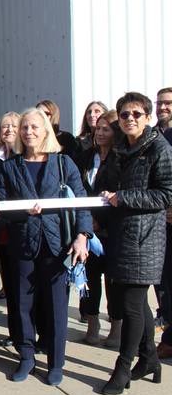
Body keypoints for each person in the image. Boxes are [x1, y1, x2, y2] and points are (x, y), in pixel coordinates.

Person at [0, 107, 91, 386]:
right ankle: (26, 356)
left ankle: (56, 362)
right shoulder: (10, 166)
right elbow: (1, 205)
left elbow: (80, 200)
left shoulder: (64, 164)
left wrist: (82, 234)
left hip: (56, 244)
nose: (29, 132)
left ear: (46, 130)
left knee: (56, 305)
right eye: (25, 127)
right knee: (23, 304)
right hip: (23, 244)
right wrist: (22, 211)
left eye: (35, 127)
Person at [99, 92, 172, 395]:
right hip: (120, 234)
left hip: (145, 238)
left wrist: (122, 198)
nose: (130, 119)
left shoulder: (159, 148)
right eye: (125, 114)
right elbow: (108, 185)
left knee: (131, 305)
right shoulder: (120, 149)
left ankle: (123, 367)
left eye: (136, 114)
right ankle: (150, 359)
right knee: (137, 302)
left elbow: (166, 194)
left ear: (148, 117)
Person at [74, 110, 121, 346]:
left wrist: (100, 221)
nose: (100, 133)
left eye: (106, 129)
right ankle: (92, 324)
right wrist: (86, 221)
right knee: (89, 278)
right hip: (87, 229)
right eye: (98, 128)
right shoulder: (85, 157)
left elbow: (119, 195)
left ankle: (116, 328)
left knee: (114, 282)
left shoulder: (121, 159)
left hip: (112, 231)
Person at [0, 112, 20, 347]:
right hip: (1, 232)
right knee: (10, 285)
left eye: (13, 126)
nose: (8, 129)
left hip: (23, 230)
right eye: (4, 126)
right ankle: (15, 332)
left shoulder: (26, 159)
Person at [159, 86, 172, 359]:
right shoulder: (157, 136)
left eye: (169, 103)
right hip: (163, 221)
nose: (163, 108)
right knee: (166, 282)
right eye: (160, 103)